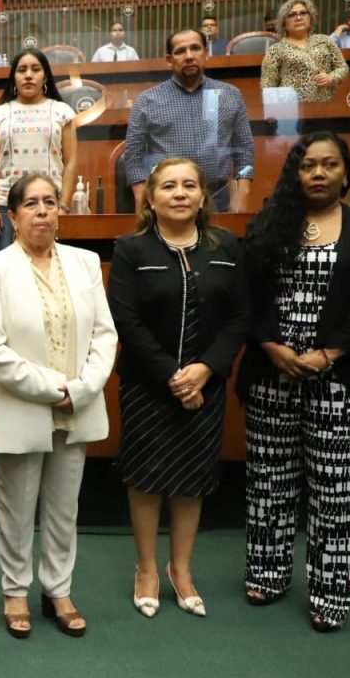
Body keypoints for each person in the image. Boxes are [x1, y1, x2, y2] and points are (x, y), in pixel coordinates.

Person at [236, 132, 350, 632]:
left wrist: (328, 353)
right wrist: (270, 346)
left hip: (343, 381)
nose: (319, 174)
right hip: (273, 377)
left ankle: (330, 596)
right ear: (295, 173)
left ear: (346, 173)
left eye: (330, 165)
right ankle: (267, 572)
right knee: (269, 484)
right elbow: (246, 295)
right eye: (309, 166)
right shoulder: (268, 225)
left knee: (338, 494)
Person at [0, 175, 117, 640]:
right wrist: (57, 388)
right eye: (30, 204)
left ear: (61, 211)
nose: (42, 211)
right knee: (16, 507)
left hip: (77, 405)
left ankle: (58, 589)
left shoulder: (85, 262)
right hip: (23, 406)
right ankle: (15, 590)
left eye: (50, 202)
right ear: (12, 217)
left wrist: (85, 387)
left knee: (63, 507)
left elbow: (105, 335)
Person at [107, 157, 249, 621]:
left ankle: (180, 569)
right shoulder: (131, 248)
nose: (181, 193)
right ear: (151, 197)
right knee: (146, 478)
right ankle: (146, 568)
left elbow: (240, 317)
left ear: (204, 196)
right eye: (169, 186)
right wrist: (173, 374)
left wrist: (205, 370)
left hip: (206, 386)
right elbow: (125, 318)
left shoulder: (226, 244)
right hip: (149, 384)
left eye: (190, 185)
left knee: (192, 479)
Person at [125, 29, 255, 213]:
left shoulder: (230, 95)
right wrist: (143, 202)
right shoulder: (148, 100)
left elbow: (244, 150)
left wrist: (241, 200)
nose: (189, 56)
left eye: (195, 48)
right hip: (167, 201)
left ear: (206, 53)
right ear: (169, 60)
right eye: (180, 51)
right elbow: (133, 156)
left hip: (217, 199)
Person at [0, 48, 77, 250]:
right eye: (21, 70)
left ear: (45, 77)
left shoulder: (61, 112)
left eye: (35, 69)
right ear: (13, 77)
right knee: (10, 274)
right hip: (8, 207)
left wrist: (64, 206)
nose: (28, 75)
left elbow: (71, 162)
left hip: (50, 204)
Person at [261, 0, 348, 103]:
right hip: (291, 111)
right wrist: (278, 114)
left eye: (303, 13)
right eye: (292, 15)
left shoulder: (325, 41)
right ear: (284, 22)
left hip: (325, 108)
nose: (298, 18)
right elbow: (268, 86)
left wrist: (331, 78)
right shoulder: (275, 50)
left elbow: (343, 68)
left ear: (310, 17)